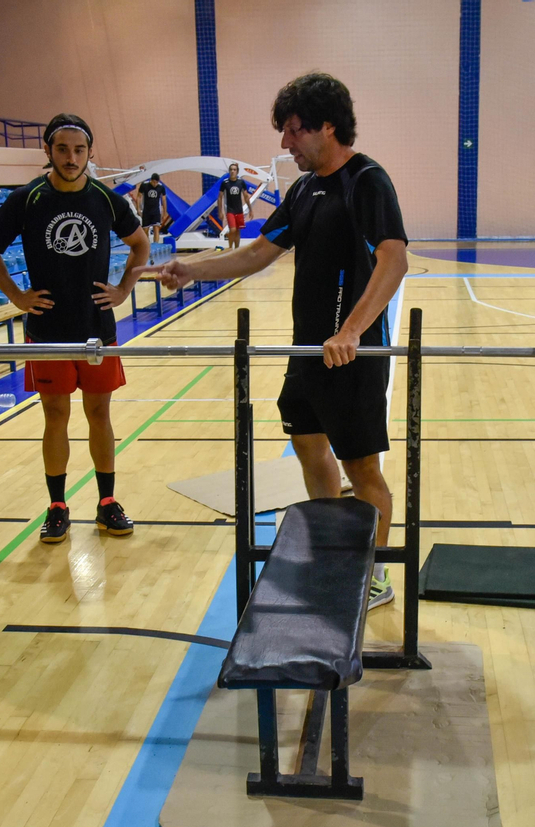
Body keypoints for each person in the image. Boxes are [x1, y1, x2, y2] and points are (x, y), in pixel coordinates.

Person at [138, 73, 407, 610]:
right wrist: (192, 269)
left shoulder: (368, 181)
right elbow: (258, 253)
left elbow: (394, 258)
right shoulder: (304, 189)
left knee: (363, 470)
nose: (285, 143)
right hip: (306, 352)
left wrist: (351, 330)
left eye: (293, 131)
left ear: (327, 126)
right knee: (308, 445)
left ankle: (374, 575)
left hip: (351, 355)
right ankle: (333, 549)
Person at [0, 113, 149, 544]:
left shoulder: (107, 200)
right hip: (48, 328)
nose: (71, 158)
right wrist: (18, 298)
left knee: (99, 414)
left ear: (90, 153)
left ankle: (107, 502)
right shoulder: (27, 198)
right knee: (55, 415)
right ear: (48, 151)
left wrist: (125, 287)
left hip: (96, 327)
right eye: (62, 149)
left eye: (79, 150)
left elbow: (140, 243)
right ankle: (57, 506)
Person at [215, 162, 255, 249]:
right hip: (230, 210)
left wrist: (250, 209)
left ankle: (236, 249)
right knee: (232, 230)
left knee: (237, 230)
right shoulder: (225, 183)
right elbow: (220, 197)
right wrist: (220, 211)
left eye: (234, 170)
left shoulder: (241, 182)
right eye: (231, 170)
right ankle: (230, 248)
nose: (232, 171)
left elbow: (246, 196)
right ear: (229, 171)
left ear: (237, 172)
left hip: (239, 210)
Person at [137, 173, 167, 245]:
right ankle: (146, 245)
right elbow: (139, 196)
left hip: (156, 211)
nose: (155, 184)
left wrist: (164, 213)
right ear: (151, 180)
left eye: (156, 182)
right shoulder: (144, 185)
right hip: (146, 210)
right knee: (145, 230)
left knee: (156, 228)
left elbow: (164, 200)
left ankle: (156, 245)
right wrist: (138, 208)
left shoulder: (161, 187)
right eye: (154, 182)